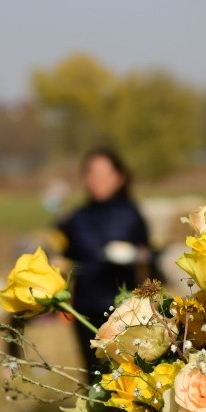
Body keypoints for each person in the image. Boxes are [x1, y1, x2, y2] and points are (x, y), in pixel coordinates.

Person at [56, 147, 156, 379]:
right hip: (85, 307)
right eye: (91, 173)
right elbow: (64, 254)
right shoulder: (77, 217)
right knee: (94, 373)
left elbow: (148, 254)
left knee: (127, 375)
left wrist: (142, 254)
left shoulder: (131, 214)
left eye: (104, 173)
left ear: (119, 177)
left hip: (122, 307)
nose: (96, 180)